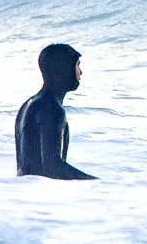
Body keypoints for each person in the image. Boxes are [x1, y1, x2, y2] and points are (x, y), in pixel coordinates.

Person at [15, 43, 96, 179]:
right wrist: (97, 183)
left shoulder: (28, 105)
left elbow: (23, 169)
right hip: (43, 194)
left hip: (27, 192)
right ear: (64, 69)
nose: (80, 72)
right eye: (77, 65)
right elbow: (52, 166)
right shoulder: (52, 109)